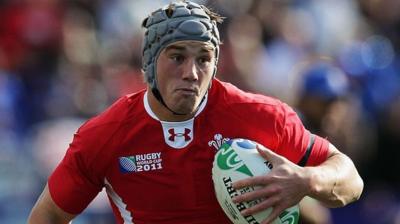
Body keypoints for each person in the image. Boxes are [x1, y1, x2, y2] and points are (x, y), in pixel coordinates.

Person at [28, 1, 364, 224]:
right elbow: (49, 215)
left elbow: (350, 179)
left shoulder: (260, 117)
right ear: (148, 64)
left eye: (203, 58)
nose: (191, 72)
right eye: (177, 57)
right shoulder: (106, 135)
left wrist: (307, 180)